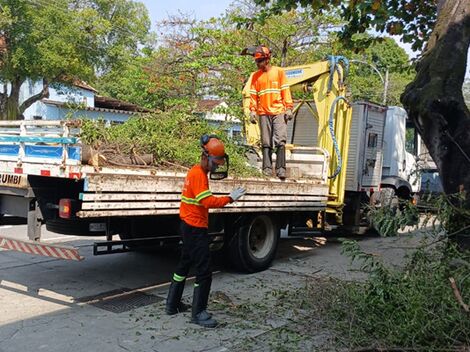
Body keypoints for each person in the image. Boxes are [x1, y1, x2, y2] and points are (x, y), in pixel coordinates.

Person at [165, 135, 246, 328]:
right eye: (216, 162)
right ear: (207, 158)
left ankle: (172, 304)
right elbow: (207, 201)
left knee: (184, 264)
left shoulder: (195, 171)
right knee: (204, 271)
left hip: (188, 225)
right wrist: (230, 198)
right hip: (194, 228)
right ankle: (198, 312)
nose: (218, 166)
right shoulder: (198, 175)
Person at [248, 45, 294, 179]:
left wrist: (289, 108)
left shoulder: (279, 72)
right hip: (263, 112)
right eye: (256, 61)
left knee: (280, 140)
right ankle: (267, 169)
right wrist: (252, 110)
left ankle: (281, 169)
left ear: (267, 59)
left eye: (260, 61)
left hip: (279, 111)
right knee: (266, 142)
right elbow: (253, 95)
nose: (258, 64)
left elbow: (285, 91)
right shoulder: (255, 77)